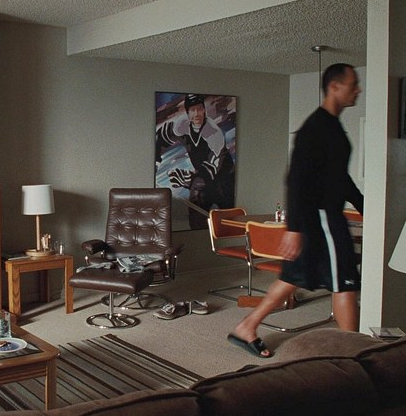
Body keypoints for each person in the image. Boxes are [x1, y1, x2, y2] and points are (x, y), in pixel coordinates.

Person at [228, 63, 364, 358]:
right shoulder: (315, 129)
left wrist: (364, 206)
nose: (358, 90)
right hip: (323, 218)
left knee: (294, 277)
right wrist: (293, 229)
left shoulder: (332, 127)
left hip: (324, 217)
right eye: (353, 84)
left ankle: (246, 327)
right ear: (334, 87)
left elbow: (339, 177)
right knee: (345, 283)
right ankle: (353, 355)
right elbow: (296, 180)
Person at [155, 93, 234, 228]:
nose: (196, 113)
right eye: (192, 110)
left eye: (199, 109)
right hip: (203, 178)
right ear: (187, 112)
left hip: (225, 181)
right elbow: (161, 137)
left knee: (229, 224)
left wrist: (191, 179)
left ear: (204, 110)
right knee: (196, 214)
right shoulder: (181, 125)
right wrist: (156, 161)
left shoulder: (213, 133)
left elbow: (211, 169)